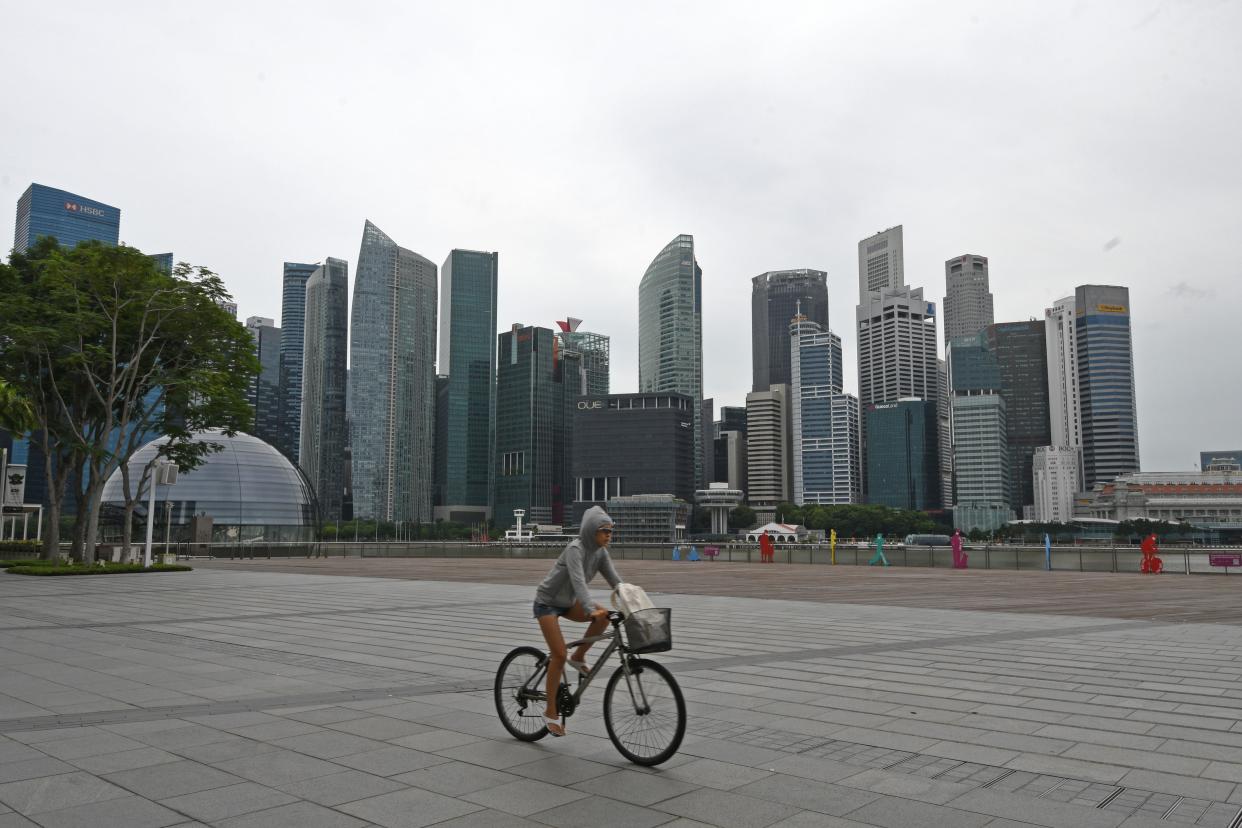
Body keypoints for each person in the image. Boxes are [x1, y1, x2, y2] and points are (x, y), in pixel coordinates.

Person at [533, 505, 622, 736]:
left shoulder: (601, 552)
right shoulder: (576, 549)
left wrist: (633, 601)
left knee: (603, 619)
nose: (609, 535)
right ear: (591, 531)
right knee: (559, 654)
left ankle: (579, 656)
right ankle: (550, 711)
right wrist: (589, 608)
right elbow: (578, 581)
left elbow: (616, 581)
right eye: (604, 530)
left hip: (568, 602)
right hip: (547, 602)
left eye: (611, 531)